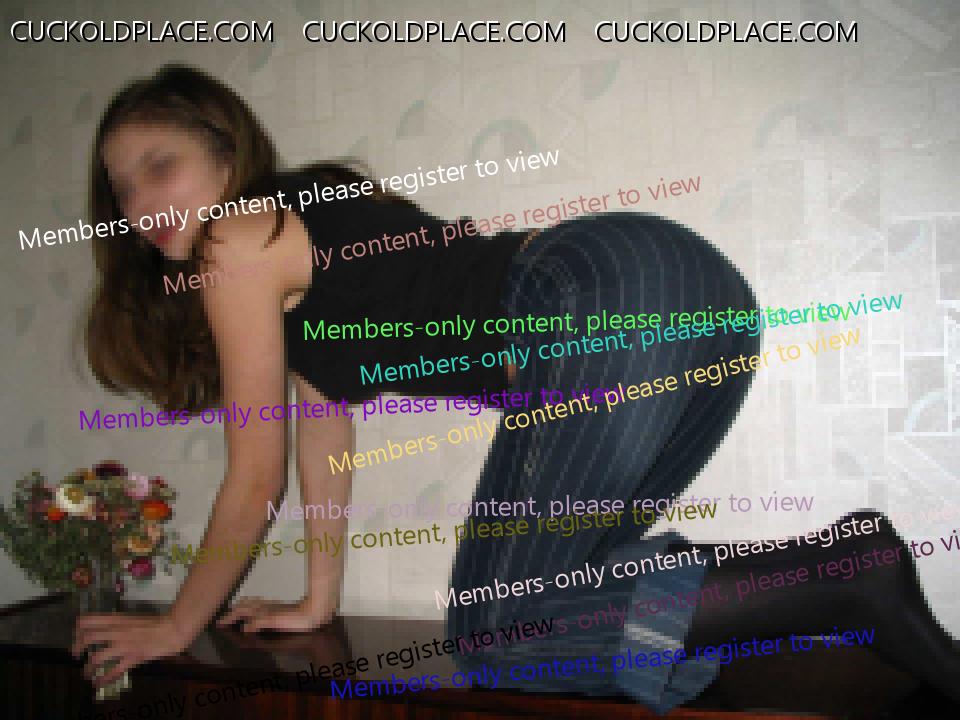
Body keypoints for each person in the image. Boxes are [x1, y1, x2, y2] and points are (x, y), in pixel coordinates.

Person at [72, 64, 959, 713]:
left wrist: (178, 627)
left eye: (160, 164)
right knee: (568, 600)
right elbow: (320, 444)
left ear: (226, 156)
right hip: (696, 294)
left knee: (497, 630)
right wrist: (317, 602)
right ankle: (842, 579)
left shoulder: (235, 237)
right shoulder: (297, 245)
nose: (140, 201)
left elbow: (253, 475)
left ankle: (849, 578)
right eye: (121, 186)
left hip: (599, 294)